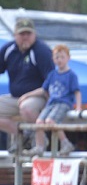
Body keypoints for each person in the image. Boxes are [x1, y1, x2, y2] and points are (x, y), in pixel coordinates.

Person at [0, 17, 55, 152]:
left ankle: (40, 142)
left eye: (28, 34)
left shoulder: (41, 51)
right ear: (15, 35)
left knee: (26, 108)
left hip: (39, 95)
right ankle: (22, 136)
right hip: (15, 97)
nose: (25, 37)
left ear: (34, 34)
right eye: (22, 34)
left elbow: (52, 81)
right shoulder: (9, 49)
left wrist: (30, 95)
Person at [23, 44, 81, 156]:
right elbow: (43, 89)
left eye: (62, 57)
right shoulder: (52, 75)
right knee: (39, 122)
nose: (59, 60)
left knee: (51, 121)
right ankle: (39, 146)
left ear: (68, 58)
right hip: (51, 103)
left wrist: (78, 107)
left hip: (64, 102)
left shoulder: (71, 75)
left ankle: (65, 142)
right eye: (56, 57)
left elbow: (77, 91)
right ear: (53, 59)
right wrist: (27, 95)